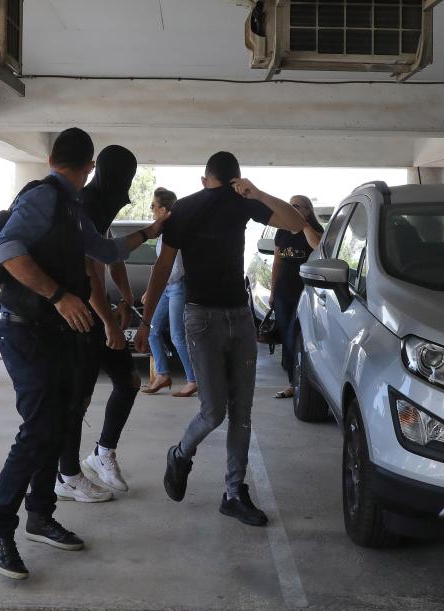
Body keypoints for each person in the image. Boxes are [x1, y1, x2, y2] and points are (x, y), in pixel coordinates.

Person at [0, 128, 166, 580]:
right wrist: (60, 294)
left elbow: (104, 250)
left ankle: (40, 516)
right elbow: (6, 248)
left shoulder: (70, 205)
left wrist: (151, 230)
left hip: (57, 331)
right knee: (39, 427)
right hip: (27, 332)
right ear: (89, 168)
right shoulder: (45, 198)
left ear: (50, 157)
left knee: (61, 421)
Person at [134, 151, 305, 527]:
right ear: (234, 179)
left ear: (204, 178)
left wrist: (146, 323)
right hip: (208, 319)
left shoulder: (235, 204)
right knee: (220, 413)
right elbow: (296, 222)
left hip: (228, 317)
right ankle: (180, 454)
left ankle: (233, 492)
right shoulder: (222, 205)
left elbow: (161, 270)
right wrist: (256, 194)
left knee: (230, 412)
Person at [57, 144, 144, 500]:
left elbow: (111, 255)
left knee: (129, 380)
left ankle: (101, 453)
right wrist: (108, 322)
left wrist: (125, 298)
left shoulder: (102, 204)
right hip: (75, 313)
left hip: (96, 308)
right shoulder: (87, 203)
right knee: (77, 397)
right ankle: (66, 475)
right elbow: (88, 269)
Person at [140, 187, 198, 398]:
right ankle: (163, 375)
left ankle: (193, 380)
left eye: (153, 206)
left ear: (163, 209)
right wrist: (151, 290)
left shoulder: (176, 231)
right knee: (153, 330)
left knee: (177, 336)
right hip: (166, 288)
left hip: (177, 288)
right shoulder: (162, 232)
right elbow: (159, 266)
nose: (151, 209)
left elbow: (174, 269)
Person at [270, 195, 324, 399]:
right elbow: (277, 264)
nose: (290, 208)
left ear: (307, 210)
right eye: (289, 205)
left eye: (295, 206)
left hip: (306, 294)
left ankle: (306, 382)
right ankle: (293, 382)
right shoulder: (282, 232)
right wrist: (273, 292)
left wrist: (302, 225)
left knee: (298, 337)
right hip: (284, 292)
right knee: (287, 337)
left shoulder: (313, 231)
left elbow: (317, 246)